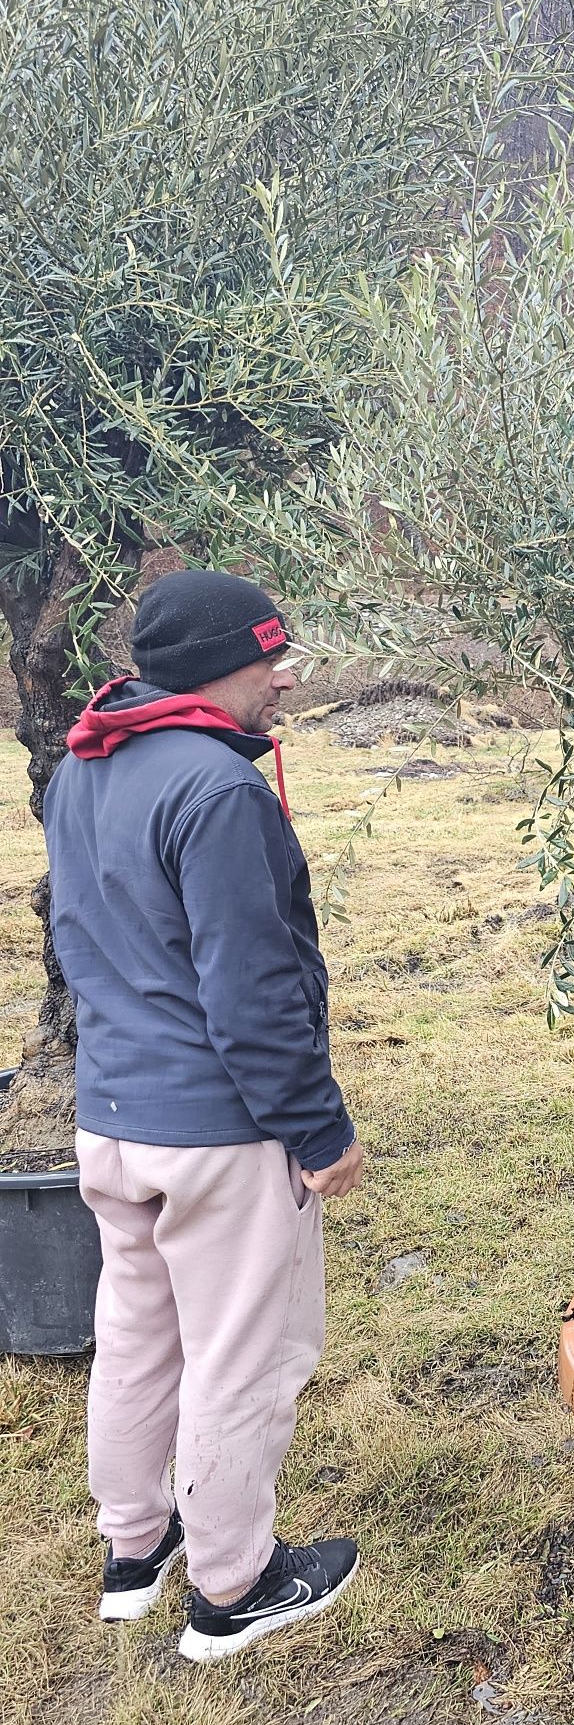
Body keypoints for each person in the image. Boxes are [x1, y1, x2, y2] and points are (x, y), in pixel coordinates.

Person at [43, 569, 366, 1663]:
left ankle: (137, 1550)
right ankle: (234, 1586)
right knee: (242, 1350)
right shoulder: (220, 792)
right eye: (268, 656)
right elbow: (252, 988)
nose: (282, 676)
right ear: (217, 663)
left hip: (113, 1118)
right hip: (218, 1131)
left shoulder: (80, 769)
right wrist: (318, 1130)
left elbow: (87, 947)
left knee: (136, 1335)